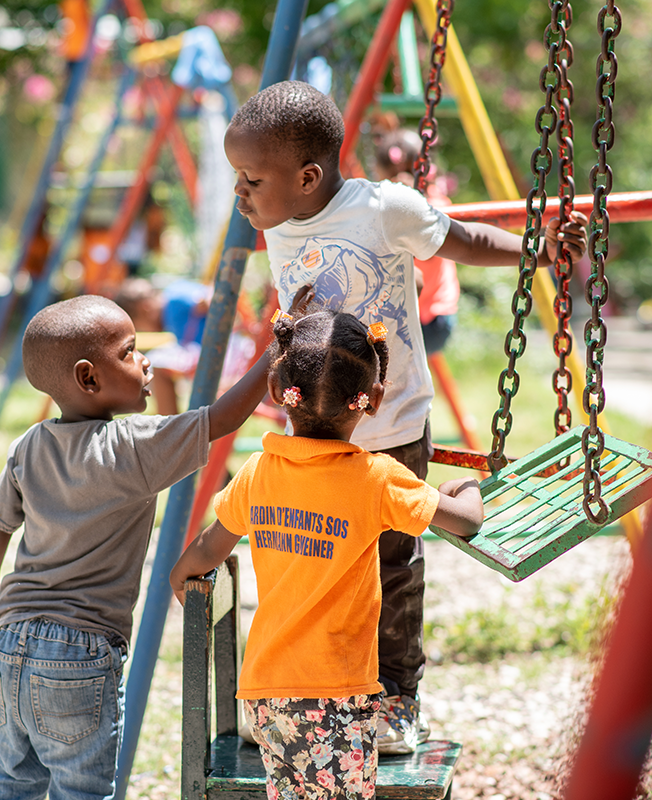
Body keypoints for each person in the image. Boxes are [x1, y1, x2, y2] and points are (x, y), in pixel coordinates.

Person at [222, 79, 588, 755]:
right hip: (311, 426)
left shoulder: (383, 208)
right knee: (312, 559)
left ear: (307, 177)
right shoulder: (276, 220)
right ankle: (302, 693)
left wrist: (534, 253)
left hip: (387, 425)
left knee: (393, 565)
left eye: (249, 180)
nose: (239, 195)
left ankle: (396, 697)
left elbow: (462, 239)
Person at [0, 294, 271, 800]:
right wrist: (274, 356)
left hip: (7, 639)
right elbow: (221, 419)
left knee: (12, 779)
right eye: (130, 352)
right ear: (89, 378)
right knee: (82, 789)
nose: (145, 360)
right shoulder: (134, 448)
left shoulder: (29, 445)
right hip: (79, 652)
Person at [170, 307, 484, 798]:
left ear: (276, 393)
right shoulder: (377, 479)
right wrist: (467, 485)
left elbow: (200, 556)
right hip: (338, 691)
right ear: (374, 399)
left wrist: (185, 585)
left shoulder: (256, 473)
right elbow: (465, 523)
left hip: (266, 695)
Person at [371, 125, 458, 355]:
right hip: (412, 315)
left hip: (432, 319)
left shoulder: (436, 206)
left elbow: (427, 254)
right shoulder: (386, 211)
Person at [115, 277, 255, 415]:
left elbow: (218, 296)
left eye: (139, 327)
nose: (146, 331)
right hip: (220, 358)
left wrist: (205, 302)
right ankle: (176, 428)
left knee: (156, 363)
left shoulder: (174, 298)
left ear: (145, 308)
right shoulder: (172, 320)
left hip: (232, 354)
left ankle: (173, 430)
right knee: (160, 361)